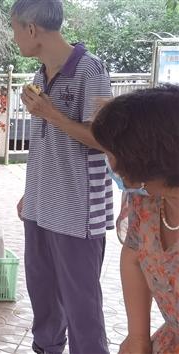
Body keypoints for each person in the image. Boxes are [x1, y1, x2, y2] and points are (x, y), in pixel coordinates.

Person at [10, 0, 114, 353]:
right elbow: (47, 144)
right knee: (43, 299)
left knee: (81, 307)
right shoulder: (40, 75)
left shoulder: (91, 71)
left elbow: (103, 139)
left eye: (14, 29)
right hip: (40, 208)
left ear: (31, 29)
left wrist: (51, 114)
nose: (14, 38)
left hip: (76, 212)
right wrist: (33, 192)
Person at [90, 85, 179, 354]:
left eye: (111, 153)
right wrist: (137, 337)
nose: (109, 163)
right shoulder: (146, 200)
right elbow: (134, 254)